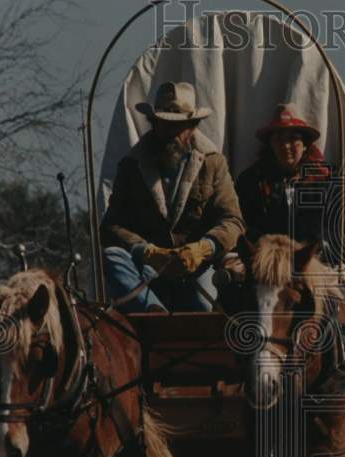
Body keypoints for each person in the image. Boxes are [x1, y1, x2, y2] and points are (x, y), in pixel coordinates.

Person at [100, 81, 245, 312]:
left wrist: (202, 249)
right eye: (164, 124)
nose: (170, 133)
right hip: (147, 270)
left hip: (198, 269)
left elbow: (232, 220)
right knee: (112, 256)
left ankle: (157, 310)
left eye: (178, 126)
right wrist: (145, 251)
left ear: (193, 126)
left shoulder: (213, 163)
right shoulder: (131, 165)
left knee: (207, 301)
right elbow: (111, 226)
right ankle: (153, 311)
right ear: (153, 124)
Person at [234, 102, 335, 247]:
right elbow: (242, 224)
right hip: (266, 257)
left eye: (293, 138)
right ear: (270, 144)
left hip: (314, 258)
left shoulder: (326, 180)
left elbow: (342, 229)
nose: (285, 145)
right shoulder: (251, 181)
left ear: (305, 144)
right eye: (278, 139)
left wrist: (316, 248)